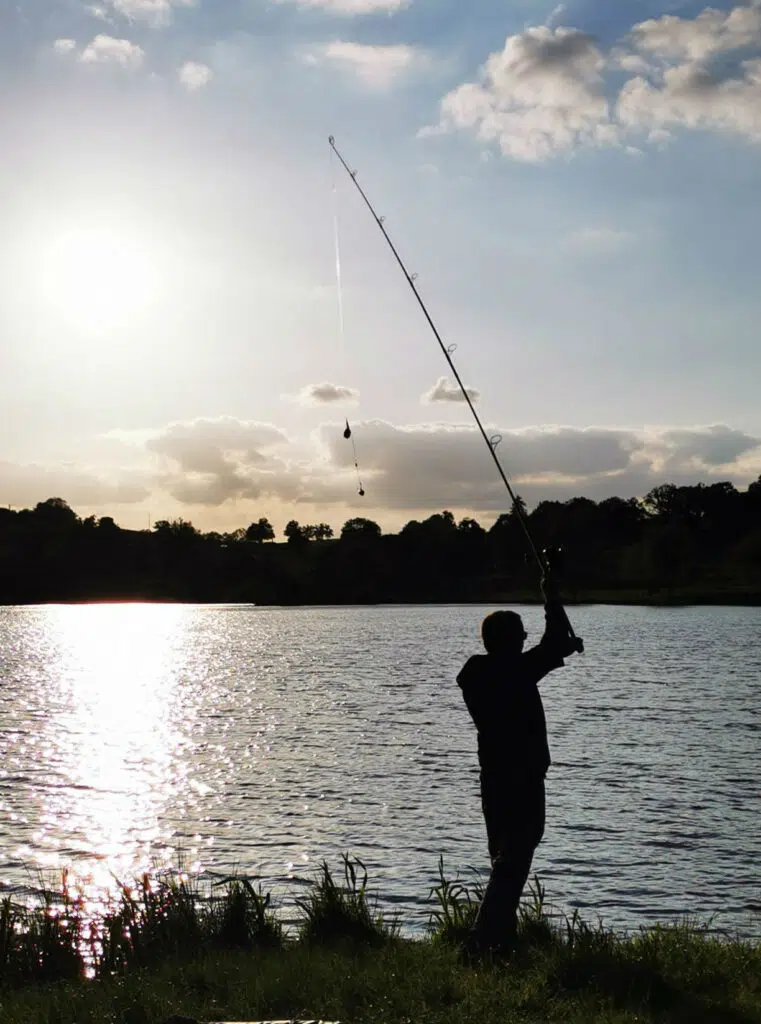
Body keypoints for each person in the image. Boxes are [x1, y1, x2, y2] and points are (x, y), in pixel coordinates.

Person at [457, 576, 581, 956]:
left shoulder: (481, 674)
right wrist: (551, 595)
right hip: (522, 778)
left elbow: (550, 647)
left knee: (505, 856)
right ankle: (482, 939)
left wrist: (556, 630)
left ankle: (500, 940)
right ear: (511, 642)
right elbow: (554, 642)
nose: (526, 641)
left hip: (494, 779)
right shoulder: (515, 672)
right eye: (521, 637)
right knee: (516, 854)